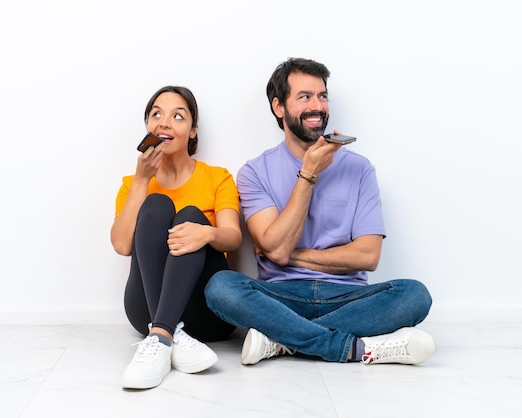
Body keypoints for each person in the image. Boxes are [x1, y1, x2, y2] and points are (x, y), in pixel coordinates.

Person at [204, 58, 436, 366]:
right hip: (281, 297)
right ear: (278, 107)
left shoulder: (359, 168)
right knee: (221, 287)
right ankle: (349, 346)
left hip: (348, 296)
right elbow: (276, 246)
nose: (318, 106)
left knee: (415, 295)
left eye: (322, 96)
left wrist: (292, 257)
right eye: (305, 97)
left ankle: (283, 339)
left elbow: (368, 256)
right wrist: (308, 174)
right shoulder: (254, 172)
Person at [111, 86, 242, 389]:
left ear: (193, 131)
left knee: (191, 216)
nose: (164, 122)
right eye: (156, 114)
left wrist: (206, 233)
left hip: (206, 313)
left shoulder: (217, 177)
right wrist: (143, 180)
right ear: (148, 127)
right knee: (156, 206)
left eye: (178, 116)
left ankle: (162, 336)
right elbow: (121, 245)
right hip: (145, 309)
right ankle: (166, 333)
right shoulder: (133, 183)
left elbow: (233, 237)